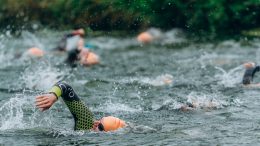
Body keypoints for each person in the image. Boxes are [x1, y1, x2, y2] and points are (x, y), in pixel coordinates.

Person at [35, 81, 126, 132]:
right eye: (100, 119)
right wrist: (53, 95)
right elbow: (65, 87)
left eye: (100, 127)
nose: (96, 123)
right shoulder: (86, 123)